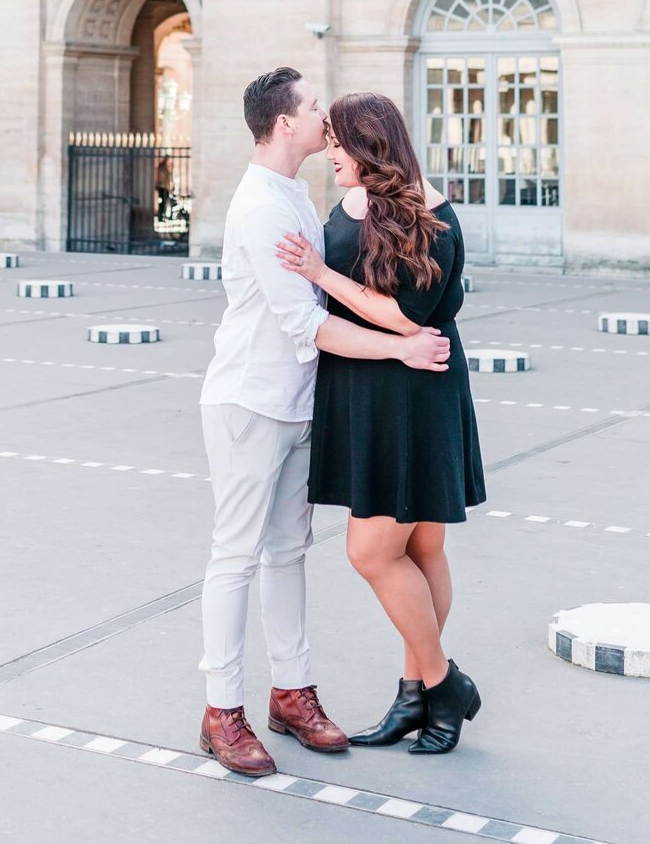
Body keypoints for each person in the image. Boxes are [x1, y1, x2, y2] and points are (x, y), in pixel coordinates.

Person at [198, 67, 452, 778]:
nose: (323, 118)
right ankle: (222, 710)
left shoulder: (299, 195)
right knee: (235, 556)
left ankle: (292, 694)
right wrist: (402, 347)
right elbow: (307, 322)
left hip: (298, 402)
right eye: (314, 108)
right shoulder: (262, 208)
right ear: (286, 124)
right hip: (250, 401)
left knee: (286, 553)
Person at [276, 90, 487, 756]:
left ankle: (441, 682)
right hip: (367, 385)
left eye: (339, 143)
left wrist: (315, 272)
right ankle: (415, 699)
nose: (329, 154)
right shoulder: (354, 201)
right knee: (419, 551)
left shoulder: (432, 212)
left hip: (411, 389)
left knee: (373, 551)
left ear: (371, 144)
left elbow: (407, 316)